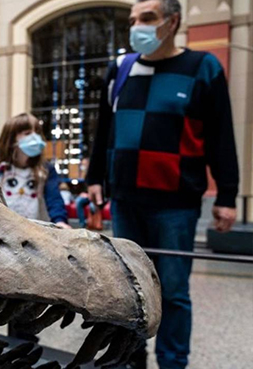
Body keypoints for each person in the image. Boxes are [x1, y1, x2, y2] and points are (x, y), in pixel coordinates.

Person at [86, 1, 239, 368]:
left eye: (147, 18)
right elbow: (104, 128)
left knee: (172, 291)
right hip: (125, 199)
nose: (136, 26)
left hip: (176, 203)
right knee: (129, 291)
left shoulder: (203, 68)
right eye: (133, 19)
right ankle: (130, 359)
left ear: (172, 22)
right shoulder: (120, 69)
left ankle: (173, 362)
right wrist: (94, 178)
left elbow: (221, 136)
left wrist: (228, 195)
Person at [0, 113, 70, 229]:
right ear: (11, 139)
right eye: (27, 133)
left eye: (37, 133)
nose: (35, 137)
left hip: (36, 230)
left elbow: (54, 199)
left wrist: (59, 221)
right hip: (3, 229)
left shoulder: (45, 170)